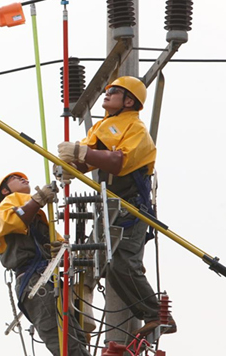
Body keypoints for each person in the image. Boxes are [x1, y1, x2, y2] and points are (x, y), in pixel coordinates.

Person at [56, 76, 176, 337]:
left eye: (113, 92)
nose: (106, 95)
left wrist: (81, 153)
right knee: (104, 264)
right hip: (111, 208)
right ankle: (83, 316)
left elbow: (117, 162)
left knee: (123, 265)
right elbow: (88, 158)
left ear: (129, 100)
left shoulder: (136, 130)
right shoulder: (103, 126)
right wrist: (68, 167)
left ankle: (157, 314)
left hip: (132, 208)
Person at [0, 172, 90, 356]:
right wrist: (39, 199)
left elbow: (64, 248)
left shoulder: (39, 217)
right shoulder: (7, 206)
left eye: (24, 178)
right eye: (15, 178)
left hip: (47, 281)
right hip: (34, 283)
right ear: (5, 190)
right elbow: (17, 218)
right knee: (64, 343)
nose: (23, 179)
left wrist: (62, 250)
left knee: (76, 339)